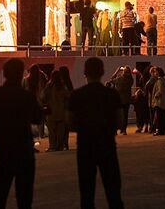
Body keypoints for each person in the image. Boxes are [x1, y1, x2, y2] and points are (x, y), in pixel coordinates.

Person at [67, 57, 125, 209]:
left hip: (85, 147)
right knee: (113, 192)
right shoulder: (112, 94)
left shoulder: (76, 95)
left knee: (86, 193)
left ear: (85, 73)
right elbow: (120, 122)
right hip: (107, 145)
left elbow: (71, 124)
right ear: (102, 71)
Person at [0, 59, 44, 208]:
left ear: (5, 74)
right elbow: (37, 118)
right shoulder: (27, 96)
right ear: (20, 74)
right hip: (23, 150)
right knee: (24, 199)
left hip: (1, 149)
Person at [44, 70, 70, 152]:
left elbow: (43, 96)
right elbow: (67, 97)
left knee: (52, 131)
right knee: (60, 131)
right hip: (61, 111)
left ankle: (52, 146)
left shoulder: (49, 86)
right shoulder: (63, 86)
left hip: (51, 112)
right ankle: (60, 146)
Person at [149, 67, 165, 135]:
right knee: (162, 116)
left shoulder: (159, 80)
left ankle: (159, 130)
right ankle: (164, 130)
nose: (154, 73)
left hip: (159, 102)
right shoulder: (164, 80)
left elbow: (160, 90)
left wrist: (155, 96)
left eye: (155, 71)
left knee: (159, 117)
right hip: (163, 101)